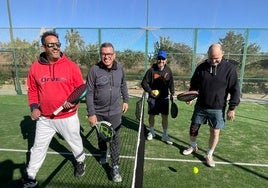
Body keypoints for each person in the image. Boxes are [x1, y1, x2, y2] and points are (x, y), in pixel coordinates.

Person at [23, 31, 86, 187]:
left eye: (58, 44)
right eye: (51, 45)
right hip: (44, 119)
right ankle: (31, 176)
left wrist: (73, 102)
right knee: (37, 147)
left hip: (67, 116)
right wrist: (34, 107)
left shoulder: (71, 66)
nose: (56, 47)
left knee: (75, 143)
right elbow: (32, 89)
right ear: (43, 47)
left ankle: (80, 161)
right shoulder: (35, 67)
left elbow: (81, 88)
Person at [182, 43, 240, 167]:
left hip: (218, 108)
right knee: (194, 128)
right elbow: (194, 84)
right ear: (207, 55)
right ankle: (193, 146)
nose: (213, 61)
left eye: (216, 58)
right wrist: (191, 96)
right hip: (201, 106)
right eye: (211, 58)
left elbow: (235, 89)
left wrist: (232, 107)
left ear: (222, 54)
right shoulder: (201, 67)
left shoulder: (229, 69)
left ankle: (209, 154)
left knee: (215, 132)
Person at [86, 42, 129, 182]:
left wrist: (126, 100)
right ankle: (103, 151)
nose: (106, 57)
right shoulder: (94, 70)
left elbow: (123, 85)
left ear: (114, 55)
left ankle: (115, 166)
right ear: (100, 55)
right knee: (102, 136)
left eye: (109, 54)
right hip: (99, 112)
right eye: (104, 54)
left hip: (116, 111)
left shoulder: (120, 69)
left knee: (115, 138)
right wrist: (91, 113)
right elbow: (89, 93)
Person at [141, 50, 175, 145]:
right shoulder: (151, 70)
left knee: (165, 117)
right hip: (153, 98)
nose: (161, 61)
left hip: (164, 98)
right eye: (159, 58)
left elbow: (171, 83)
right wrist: (150, 91)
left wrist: (172, 93)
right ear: (157, 59)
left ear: (166, 60)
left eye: (163, 59)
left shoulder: (168, 70)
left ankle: (164, 135)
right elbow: (144, 83)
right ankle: (151, 131)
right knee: (152, 116)